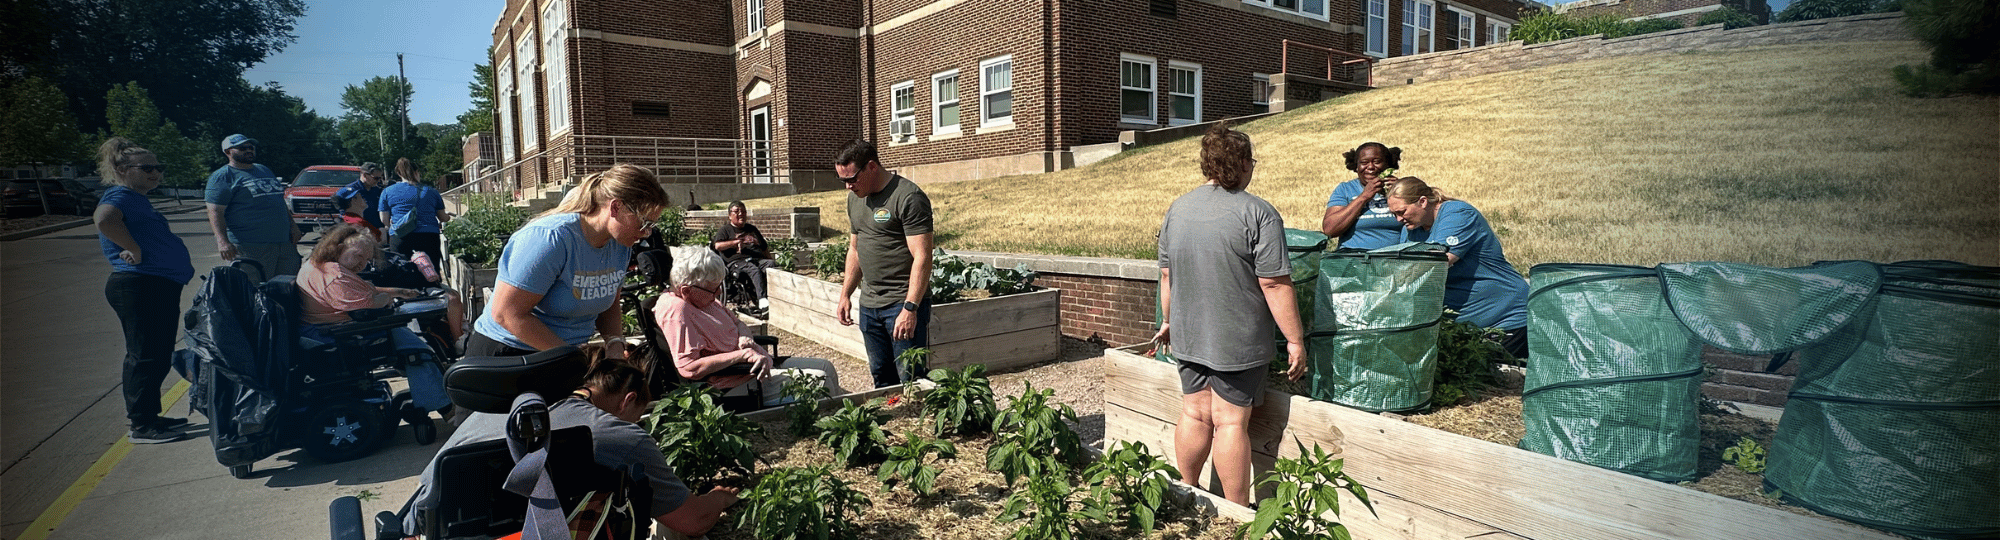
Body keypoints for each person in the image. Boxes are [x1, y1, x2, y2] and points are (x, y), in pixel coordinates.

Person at [404, 358, 741, 538]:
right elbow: (693, 521)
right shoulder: (621, 436)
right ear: (629, 400)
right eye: (638, 415)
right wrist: (721, 496)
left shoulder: (491, 412)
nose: (636, 423)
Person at [1153, 122, 1307, 506]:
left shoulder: (1179, 208)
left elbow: (1167, 275)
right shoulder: (1258, 213)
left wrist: (1169, 322)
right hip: (1237, 338)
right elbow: (1274, 284)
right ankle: (1234, 513)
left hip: (1187, 334)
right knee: (1230, 422)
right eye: (1250, 161)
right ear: (1240, 163)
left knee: (1194, 413)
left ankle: (1186, 494)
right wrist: (1295, 340)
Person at [468, 163, 670, 360]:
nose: (647, 233)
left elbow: (608, 299)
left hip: (564, 353)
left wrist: (614, 342)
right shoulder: (550, 239)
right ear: (616, 207)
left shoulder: (620, 244)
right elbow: (507, 314)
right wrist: (575, 359)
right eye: (644, 222)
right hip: (510, 353)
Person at [93, 137, 197, 444]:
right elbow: (105, 219)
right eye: (147, 167)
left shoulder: (136, 198)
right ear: (123, 169)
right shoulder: (120, 195)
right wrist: (133, 249)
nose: (156, 173)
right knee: (145, 356)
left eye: (159, 167)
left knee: (157, 354)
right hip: (140, 284)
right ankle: (141, 425)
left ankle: (151, 418)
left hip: (155, 284)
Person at [296, 224, 462, 414]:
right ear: (339, 248)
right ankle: (444, 407)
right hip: (334, 336)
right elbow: (367, 305)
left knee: (409, 336)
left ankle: (435, 395)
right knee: (417, 349)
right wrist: (387, 298)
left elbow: (365, 291)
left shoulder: (320, 265)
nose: (363, 264)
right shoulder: (335, 276)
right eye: (358, 256)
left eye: (367, 259)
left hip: (328, 329)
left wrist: (397, 293)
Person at [654, 246, 842, 404]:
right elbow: (689, 368)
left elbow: (737, 322)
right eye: (713, 289)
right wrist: (741, 355)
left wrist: (744, 336)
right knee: (822, 381)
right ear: (686, 290)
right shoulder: (677, 311)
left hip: (754, 366)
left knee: (826, 367)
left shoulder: (704, 300)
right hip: (732, 383)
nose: (718, 293)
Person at [1384, 177, 1530, 359]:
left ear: (1422, 201)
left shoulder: (1458, 214)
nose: (1398, 219)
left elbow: (1437, 263)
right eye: (1394, 214)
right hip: (1462, 327)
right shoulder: (1412, 228)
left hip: (1504, 319)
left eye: (1402, 211)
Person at [832, 139, 935, 388]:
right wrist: (845, 294)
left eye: (852, 178)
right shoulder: (856, 198)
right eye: (842, 180)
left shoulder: (908, 197)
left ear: (871, 167)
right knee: (881, 376)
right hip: (870, 305)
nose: (848, 186)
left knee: (911, 377)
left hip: (901, 304)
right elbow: (855, 249)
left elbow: (923, 256)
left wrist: (910, 309)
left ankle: (918, 424)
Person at [205, 133, 301, 281]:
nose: (249, 150)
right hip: (250, 246)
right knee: (253, 292)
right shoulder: (222, 177)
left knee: (285, 289)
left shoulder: (263, 170)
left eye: (251, 147)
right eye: (242, 148)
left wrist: (292, 225)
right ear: (228, 152)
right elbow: (215, 211)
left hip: (283, 243)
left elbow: (278, 201)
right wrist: (222, 241)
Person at [1320, 142, 1407, 250]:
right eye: (1364, 162)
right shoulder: (1345, 189)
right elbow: (1330, 229)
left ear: (1388, 164)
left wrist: (1403, 192)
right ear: (1356, 167)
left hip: (1394, 258)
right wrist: (1364, 196)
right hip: (1354, 259)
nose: (1370, 167)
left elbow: (1424, 220)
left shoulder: (1403, 187)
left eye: (1377, 162)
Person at [379, 157, 450, 266]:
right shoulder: (431, 192)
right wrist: (448, 217)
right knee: (430, 272)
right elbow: (443, 217)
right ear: (417, 172)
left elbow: (384, 219)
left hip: (400, 236)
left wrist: (390, 226)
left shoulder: (387, 191)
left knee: (402, 271)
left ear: (399, 173)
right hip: (428, 236)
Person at [711, 200, 775, 315]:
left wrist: (770, 259)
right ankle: (763, 302)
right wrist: (736, 242)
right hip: (736, 262)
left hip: (755, 259)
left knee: (771, 266)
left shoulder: (752, 229)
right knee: (753, 270)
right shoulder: (725, 230)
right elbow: (718, 245)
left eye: (743, 211)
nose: (741, 214)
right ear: (730, 215)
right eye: (736, 211)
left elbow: (764, 248)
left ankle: (775, 297)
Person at [332, 162, 387, 229]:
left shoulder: (378, 191)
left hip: (375, 228)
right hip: (357, 228)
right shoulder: (351, 191)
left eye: (380, 178)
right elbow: (343, 210)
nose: (378, 181)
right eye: (376, 178)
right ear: (365, 175)